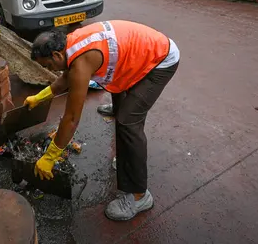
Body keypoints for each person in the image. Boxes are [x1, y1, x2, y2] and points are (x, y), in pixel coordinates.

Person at [25, 20, 180, 221]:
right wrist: (41, 97)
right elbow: (66, 77)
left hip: (160, 60)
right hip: (140, 54)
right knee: (119, 98)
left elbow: (71, 118)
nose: (51, 69)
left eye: (48, 65)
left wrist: (50, 156)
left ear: (56, 55)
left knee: (127, 122)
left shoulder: (81, 63)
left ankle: (139, 195)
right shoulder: (69, 44)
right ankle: (121, 116)